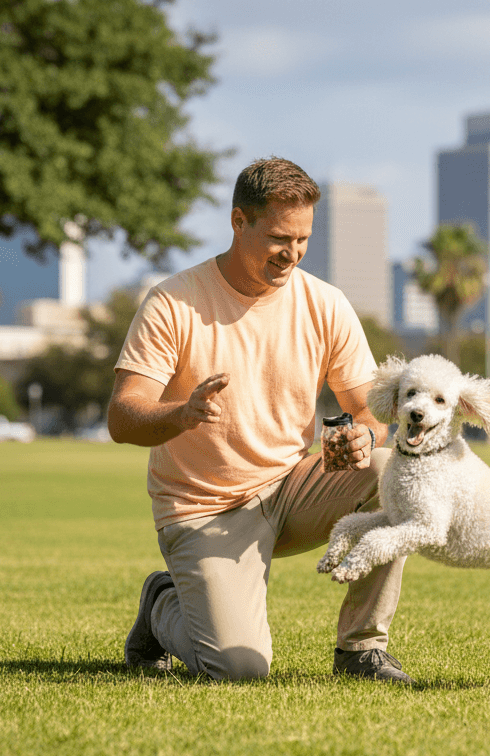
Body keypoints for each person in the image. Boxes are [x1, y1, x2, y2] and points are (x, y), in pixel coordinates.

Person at [107, 157, 409, 683]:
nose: (291, 253)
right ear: (238, 222)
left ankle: (361, 649)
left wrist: (363, 435)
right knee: (239, 670)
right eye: (277, 238)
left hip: (292, 489)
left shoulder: (325, 304)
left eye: (303, 240)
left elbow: (370, 408)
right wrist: (181, 414)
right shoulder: (173, 302)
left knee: (393, 470)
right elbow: (122, 416)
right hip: (205, 507)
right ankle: (161, 607)